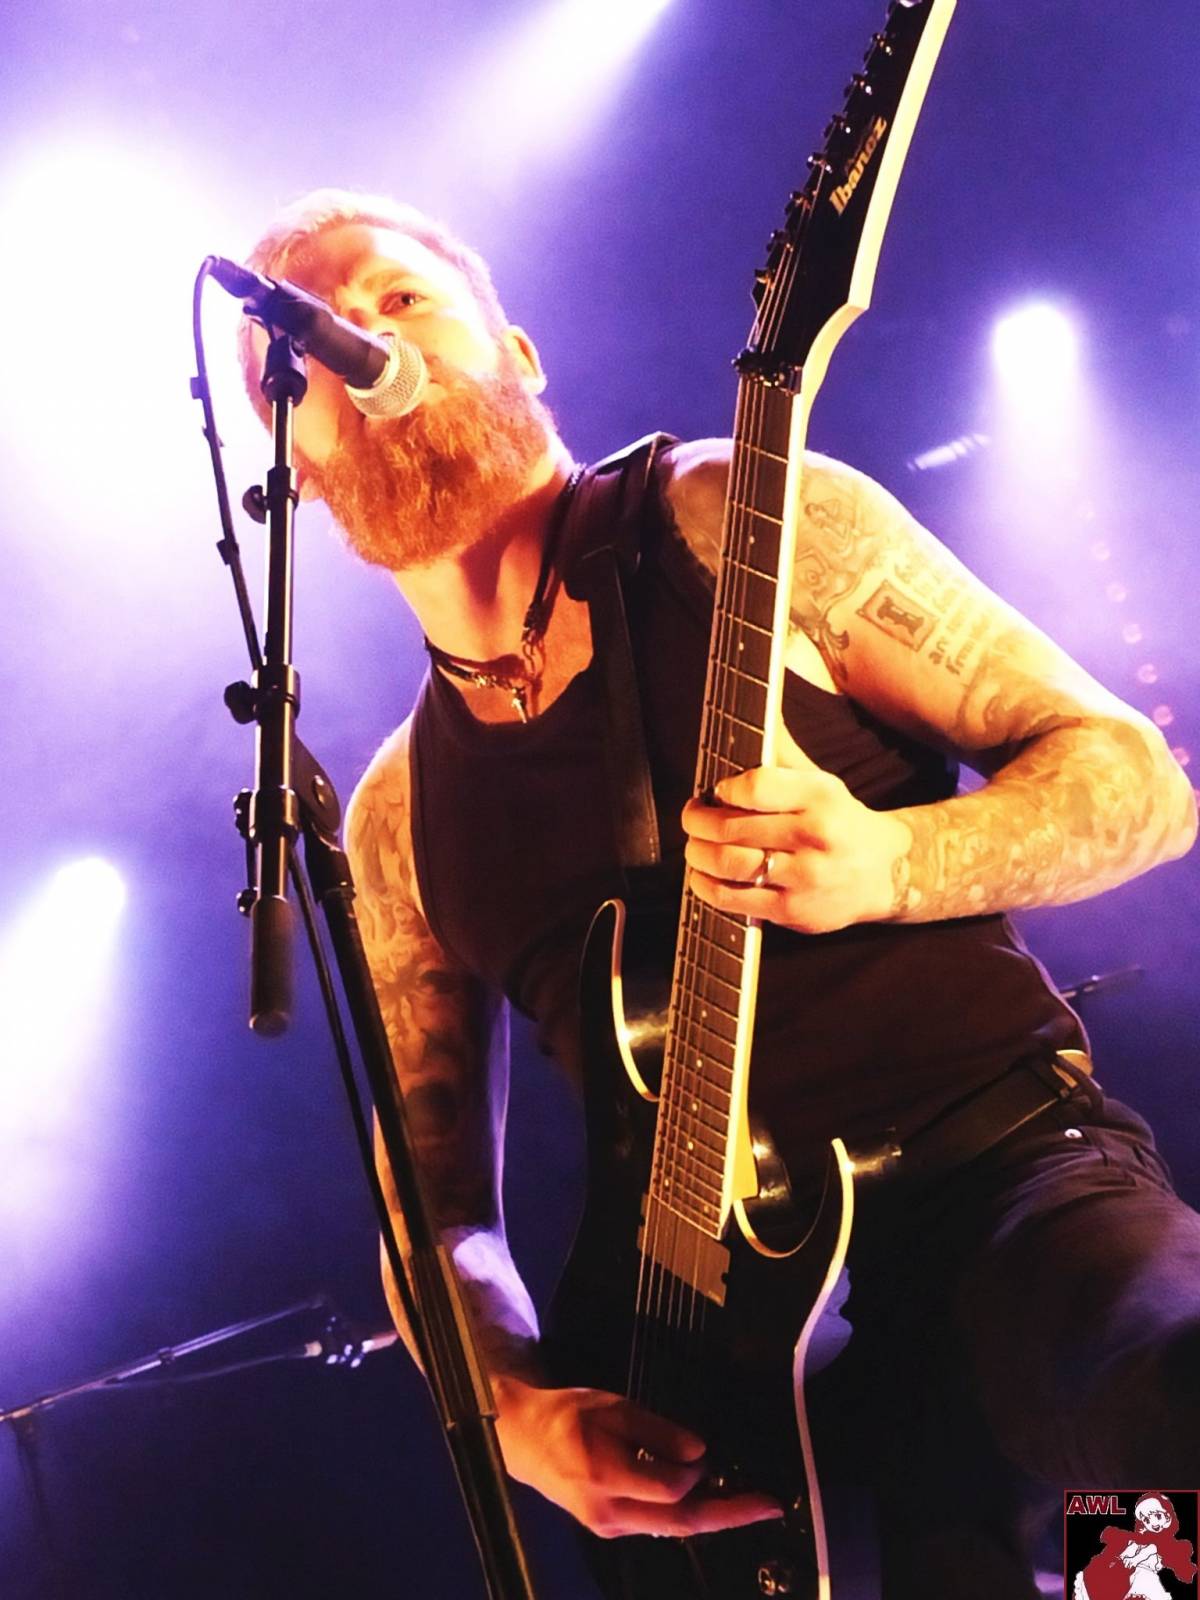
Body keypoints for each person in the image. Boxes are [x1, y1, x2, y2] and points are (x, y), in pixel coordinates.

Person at [237, 188, 1200, 1596]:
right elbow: (432, 1216)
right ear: (296, 457)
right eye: (312, 347)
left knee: (1163, 1439)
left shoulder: (735, 520)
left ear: (519, 350)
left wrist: (895, 861)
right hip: (727, 1362)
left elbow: (1141, 782)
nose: (363, 340)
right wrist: (516, 1411)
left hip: (1008, 1189)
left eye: (399, 297)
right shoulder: (397, 815)